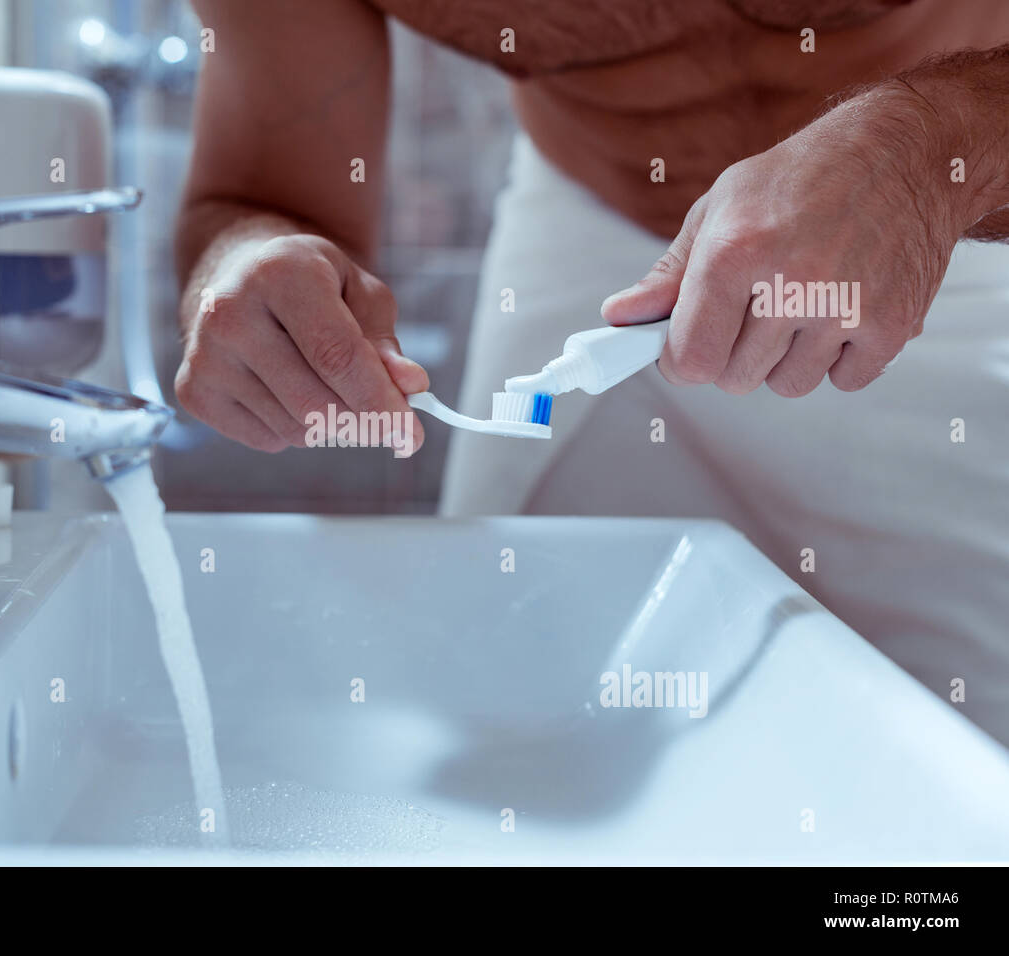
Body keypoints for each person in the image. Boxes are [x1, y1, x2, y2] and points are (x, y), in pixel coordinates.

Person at [173, 0, 1009, 744]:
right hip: (599, 248)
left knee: (954, 760)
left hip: (956, 214)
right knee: (516, 728)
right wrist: (248, 266)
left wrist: (921, 152)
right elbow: (259, 192)